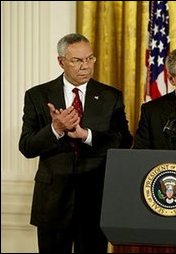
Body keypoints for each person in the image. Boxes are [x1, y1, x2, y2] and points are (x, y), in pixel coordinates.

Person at [19, 33, 133, 253]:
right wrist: (56, 129)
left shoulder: (111, 96)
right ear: (61, 61)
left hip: (95, 199)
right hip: (52, 201)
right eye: (77, 61)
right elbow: (27, 146)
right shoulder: (37, 95)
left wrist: (86, 135)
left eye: (89, 59)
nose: (85, 66)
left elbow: (124, 141)